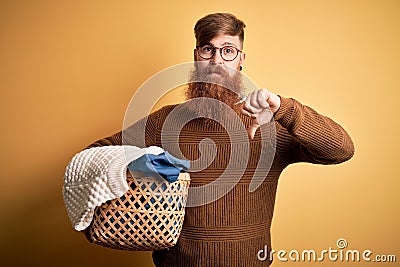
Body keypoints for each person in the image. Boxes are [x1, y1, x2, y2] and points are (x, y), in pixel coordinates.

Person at [81, 13, 354, 266]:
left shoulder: (269, 123)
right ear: (196, 56)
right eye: (208, 49)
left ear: (241, 59)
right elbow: (92, 155)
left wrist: (284, 107)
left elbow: (341, 149)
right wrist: (141, 163)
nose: (217, 61)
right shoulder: (165, 121)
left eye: (228, 50)